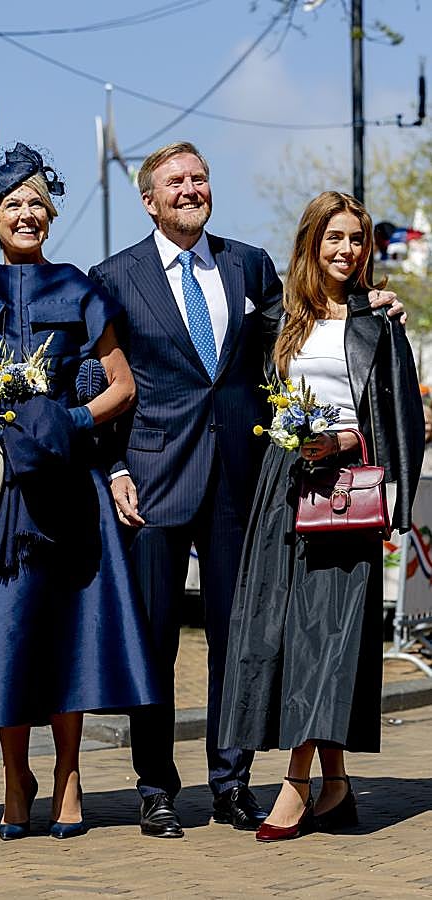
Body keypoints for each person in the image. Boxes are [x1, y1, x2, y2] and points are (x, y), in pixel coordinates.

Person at [88, 142, 405, 839]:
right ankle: (155, 787)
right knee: (154, 641)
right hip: (153, 483)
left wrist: (371, 301)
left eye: (200, 178)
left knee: (244, 637)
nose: (190, 189)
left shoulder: (249, 265)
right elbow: (97, 378)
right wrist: (114, 469)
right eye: (175, 181)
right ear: (149, 199)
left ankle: (230, 783)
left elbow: (312, 326)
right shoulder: (113, 276)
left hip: (245, 482)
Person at [0, 143, 159, 841]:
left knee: (69, 631)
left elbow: (122, 385)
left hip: (71, 491)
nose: (26, 214)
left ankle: (68, 773)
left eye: (37, 204)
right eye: (12, 204)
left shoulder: (79, 288)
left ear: (52, 215)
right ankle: (16, 777)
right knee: (7, 633)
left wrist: (69, 420)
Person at [219, 191, 424, 842]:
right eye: (334, 237)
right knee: (283, 632)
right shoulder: (275, 317)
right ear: (311, 241)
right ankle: (335, 785)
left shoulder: (379, 320)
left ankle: (295, 781)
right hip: (282, 485)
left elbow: (402, 420)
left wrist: (349, 445)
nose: (347, 250)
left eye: (357, 239)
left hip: (347, 488)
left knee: (330, 635)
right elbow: (246, 399)